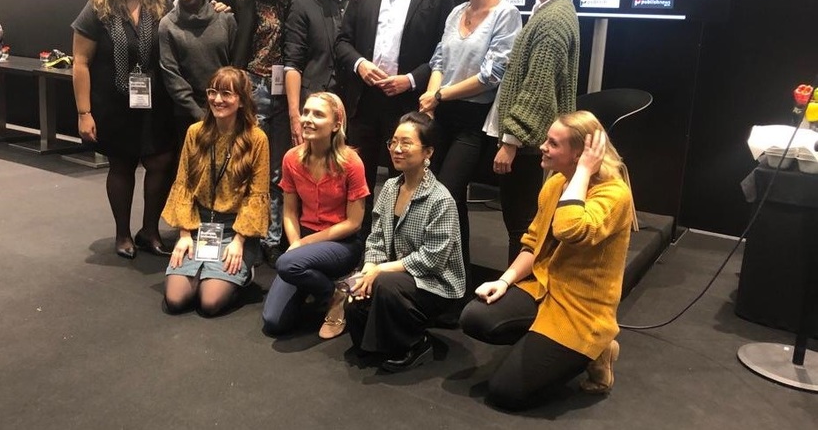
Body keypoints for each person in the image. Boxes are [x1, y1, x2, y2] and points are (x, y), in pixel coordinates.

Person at [460, 111, 637, 410]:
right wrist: (504, 281)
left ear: (580, 155)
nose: (542, 146)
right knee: (475, 317)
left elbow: (570, 228)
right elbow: (532, 244)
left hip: (582, 310)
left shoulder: (614, 195)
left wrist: (582, 173)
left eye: (553, 144)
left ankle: (597, 350)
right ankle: (543, 344)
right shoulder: (556, 184)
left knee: (505, 392)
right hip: (545, 288)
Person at [335, 0, 454, 236]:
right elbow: (342, 42)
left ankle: (397, 246)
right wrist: (361, 65)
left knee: (405, 181)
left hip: (407, 105)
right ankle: (358, 248)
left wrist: (411, 79)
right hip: (364, 101)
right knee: (359, 179)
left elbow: (444, 51)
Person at [418, 0, 521, 271]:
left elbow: (491, 75)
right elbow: (439, 60)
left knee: (448, 193)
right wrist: (431, 100)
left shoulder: (506, 15)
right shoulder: (455, 13)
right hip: (441, 115)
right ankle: (447, 270)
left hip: (473, 120)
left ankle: (454, 276)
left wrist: (440, 95)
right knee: (438, 195)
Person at [71, 0, 174, 259]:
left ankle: (150, 230)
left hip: (156, 104)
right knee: (122, 165)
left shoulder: (162, 3)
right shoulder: (97, 6)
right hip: (113, 104)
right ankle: (122, 233)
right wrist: (84, 112)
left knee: (160, 163)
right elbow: (81, 62)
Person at [344, 112, 465, 373]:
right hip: (396, 277)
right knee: (355, 294)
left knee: (385, 285)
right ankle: (381, 341)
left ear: (428, 152)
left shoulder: (441, 199)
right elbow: (375, 237)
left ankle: (415, 343)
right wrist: (368, 269)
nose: (397, 149)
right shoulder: (389, 187)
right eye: (393, 142)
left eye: (406, 143)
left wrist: (379, 271)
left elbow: (432, 260)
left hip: (434, 285)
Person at [486, 0, 580, 262]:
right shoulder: (548, 11)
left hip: (529, 144)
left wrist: (510, 141)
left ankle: (520, 298)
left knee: (522, 226)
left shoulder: (553, 19)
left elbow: (537, 90)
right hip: (533, 141)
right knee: (524, 224)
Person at [161, 67, 269, 317]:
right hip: (198, 224)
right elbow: (184, 185)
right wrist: (185, 233)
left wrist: (239, 240)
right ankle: (204, 269)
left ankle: (245, 271)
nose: (217, 100)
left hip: (235, 229)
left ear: (241, 100)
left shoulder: (257, 139)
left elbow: (257, 194)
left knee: (209, 304)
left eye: (226, 93)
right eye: (213, 92)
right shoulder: (195, 133)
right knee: (175, 300)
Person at [261, 92, 369, 338]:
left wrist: (300, 246)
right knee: (273, 321)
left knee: (286, 263)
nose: (307, 119)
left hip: (342, 244)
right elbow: (289, 211)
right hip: (305, 244)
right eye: (306, 112)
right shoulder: (292, 158)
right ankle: (333, 289)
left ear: (336, 124)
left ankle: (335, 297)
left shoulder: (352, 162)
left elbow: (354, 223)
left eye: (318, 114)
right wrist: (296, 243)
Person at [236, 0, 312, 267]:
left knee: (283, 166)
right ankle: (251, 230)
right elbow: (242, 41)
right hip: (257, 85)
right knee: (254, 163)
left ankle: (274, 236)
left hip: (292, 90)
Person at [284, 0, 354, 146]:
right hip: (313, 106)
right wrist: (295, 114)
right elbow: (292, 64)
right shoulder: (302, 3)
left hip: (355, 107)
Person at [159, 0, 237, 149]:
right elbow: (171, 74)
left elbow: (236, 65)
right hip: (188, 116)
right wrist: (199, 114)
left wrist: (224, 106)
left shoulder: (225, 18)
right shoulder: (167, 25)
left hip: (226, 110)